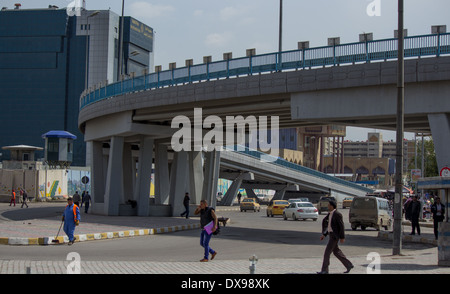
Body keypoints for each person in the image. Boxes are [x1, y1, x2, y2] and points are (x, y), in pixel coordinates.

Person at [318, 200, 354, 274]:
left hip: (334, 236)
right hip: (331, 235)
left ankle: (325, 270)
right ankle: (348, 265)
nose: (327, 206)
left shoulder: (337, 214)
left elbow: (341, 226)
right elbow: (329, 226)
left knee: (327, 253)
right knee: (336, 252)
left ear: (331, 206)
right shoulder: (329, 214)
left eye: (328, 205)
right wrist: (324, 235)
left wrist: (342, 237)